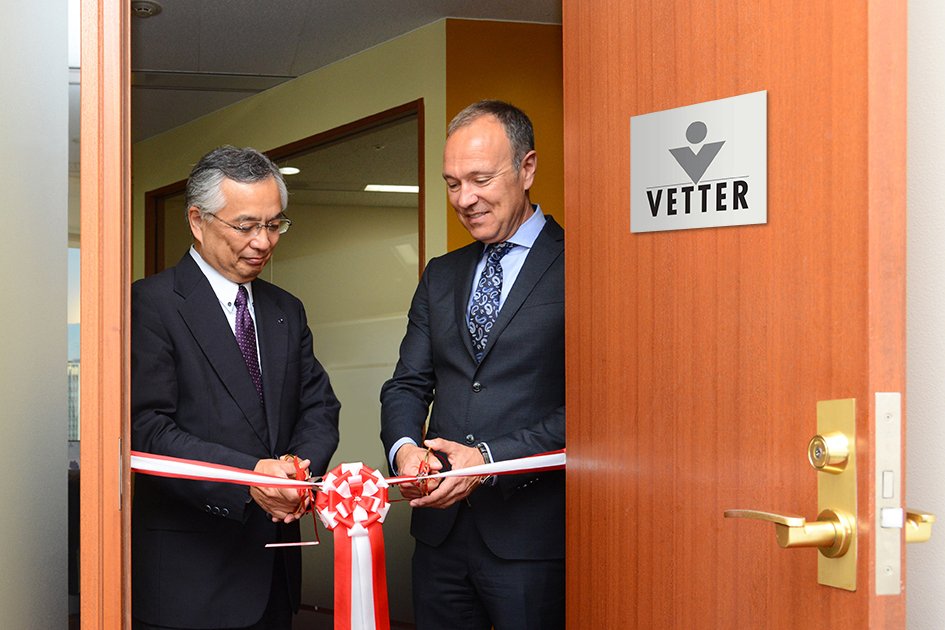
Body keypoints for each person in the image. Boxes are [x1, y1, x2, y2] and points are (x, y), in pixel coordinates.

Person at [131, 146, 340, 630]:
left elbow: (319, 406)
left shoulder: (285, 308)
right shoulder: (151, 305)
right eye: (246, 226)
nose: (264, 241)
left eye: (275, 225)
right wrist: (252, 477)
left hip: (273, 575)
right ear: (198, 221)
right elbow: (148, 430)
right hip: (190, 581)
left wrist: (294, 473)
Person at [380, 100, 565, 630]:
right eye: (452, 183)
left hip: (532, 541)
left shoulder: (582, 264)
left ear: (527, 168)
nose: (465, 199)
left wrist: (487, 460)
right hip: (440, 541)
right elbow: (406, 385)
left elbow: (596, 410)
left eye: (481, 179)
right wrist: (406, 451)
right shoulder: (441, 275)